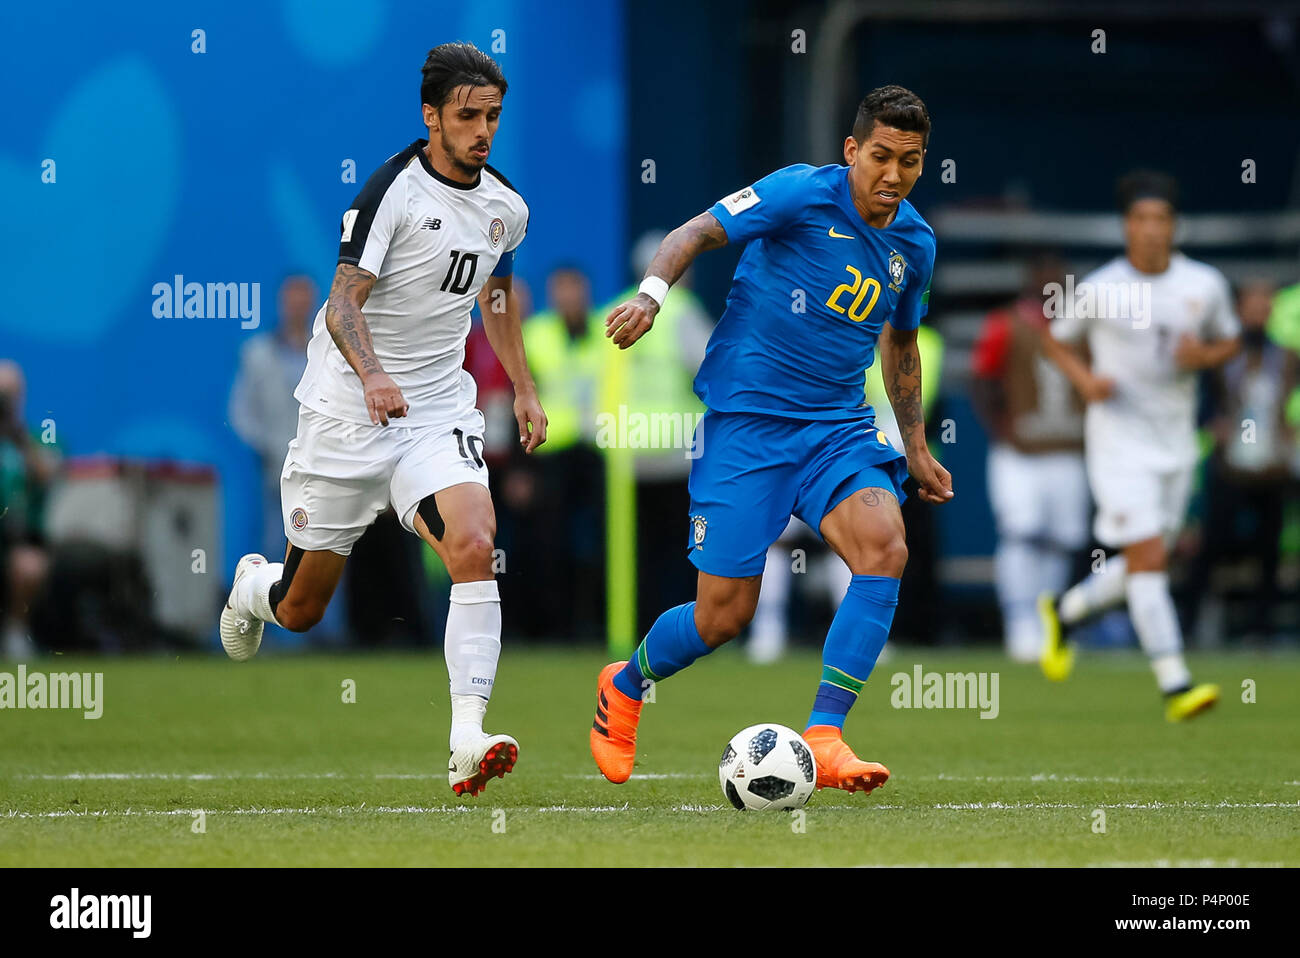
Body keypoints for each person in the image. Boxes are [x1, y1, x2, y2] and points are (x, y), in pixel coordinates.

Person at [590, 86, 952, 795]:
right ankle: (626, 683)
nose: (893, 174)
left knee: (885, 547)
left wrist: (913, 444)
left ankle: (826, 733)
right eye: (880, 156)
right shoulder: (798, 193)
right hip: (747, 428)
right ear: (852, 151)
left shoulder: (915, 243)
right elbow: (693, 233)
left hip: (836, 430)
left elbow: (901, 344)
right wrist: (649, 297)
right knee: (723, 615)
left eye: (910, 161)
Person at [218, 42, 546, 797]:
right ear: (431, 116)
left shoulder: (506, 207)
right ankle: (250, 590)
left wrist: (524, 389)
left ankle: (468, 735)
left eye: (493, 116)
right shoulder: (389, 195)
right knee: (302, 608)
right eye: (467, 116)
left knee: (473, 542)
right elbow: (342, 302)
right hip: (345, 415)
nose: (483, 130)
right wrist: (371, 376)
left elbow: (495, 297)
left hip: (434, 412)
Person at [1038, 171, 1240, 721]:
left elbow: (1230, 340)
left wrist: (1206, 357)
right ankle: (1176, 682)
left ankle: (1066, 609)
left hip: (1177, 444)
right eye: (1142, 220)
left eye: (1161, 220)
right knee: (1148, 560)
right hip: (1118, 442)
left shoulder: (1204, 284)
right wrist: (1086, 382)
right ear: (1127, 226)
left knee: (1148, 559)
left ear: (1175, 227)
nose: (1152, 230)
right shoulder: (1101, 288)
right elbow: (1055, 342)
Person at [971, 255, 1088, 662]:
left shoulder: (1083, 327)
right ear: (1030, 280)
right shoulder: (1005, 324)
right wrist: (1001, 430)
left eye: (1058, 278)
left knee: (1060, 540)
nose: (1051, 283)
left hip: (1069, 450)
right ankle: (1019, 623)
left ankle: (1047, 622)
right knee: (1021, 533)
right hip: (1019, 452)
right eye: (1044, 277)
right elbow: (981, 380)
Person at [1184, 279, 1295, 642]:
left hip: (1270, 467)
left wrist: (1288, 431)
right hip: (1230, 466)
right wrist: (1212, 424)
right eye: (1253, 303)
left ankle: (1259, 631)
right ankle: (1187, 625)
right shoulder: (1222, 354)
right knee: (1211, 546)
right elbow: (1200, 403)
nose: (1260, 311)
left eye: (1266, 303)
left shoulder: (1287, 358)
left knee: (1269, 552)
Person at [0, 361, 59, 659]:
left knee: (29, 565)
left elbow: (49, 473)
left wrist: (18, 438)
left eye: (8, 396)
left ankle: (14, 632)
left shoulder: (36, 439)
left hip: (19, 541)